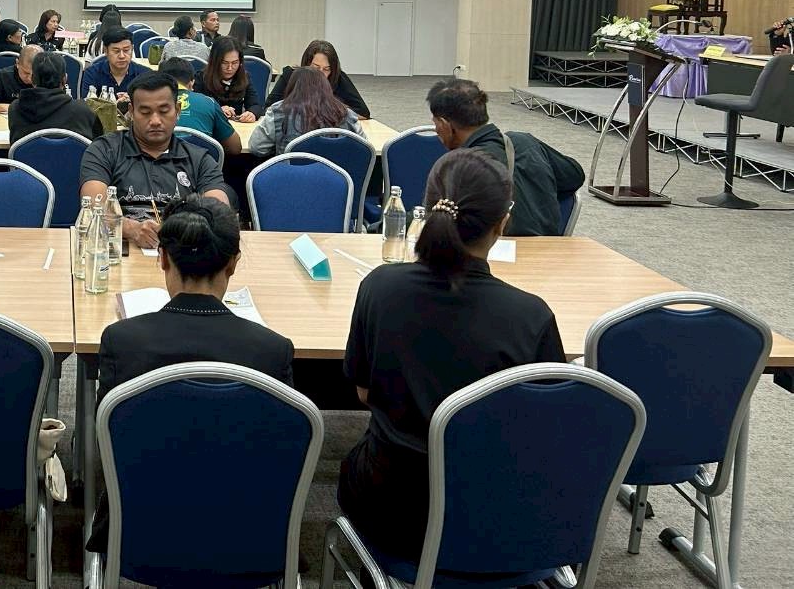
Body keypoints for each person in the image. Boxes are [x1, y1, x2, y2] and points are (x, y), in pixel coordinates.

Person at [338, 148, 565, 560]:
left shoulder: (379, 287)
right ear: (502, 223)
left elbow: (364, 393)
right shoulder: (531, 315)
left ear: (428, 210)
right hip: (493, 514)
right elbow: (544, 426)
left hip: (392, 507)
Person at [87, 195, 294, 555]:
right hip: (247, 533)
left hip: (138, 527)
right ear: (233, 263)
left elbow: (107, 438)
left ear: (163, 258)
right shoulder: (272, 350)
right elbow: (285, 448)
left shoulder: (122, 341)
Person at [79, 72, 229, 248]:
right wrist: (132, 229)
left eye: (164, 111)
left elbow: (220, 213)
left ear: (177, 111)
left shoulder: (199, 159)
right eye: (145, 112)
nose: (155, 121)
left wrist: (179, 232)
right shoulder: (104, 150)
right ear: (131, 112)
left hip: (182, 251)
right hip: (118, 251)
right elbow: (93, 206)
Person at [427, 79, 585, 237]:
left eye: (435, 124)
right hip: (549, 249)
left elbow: (437, 227)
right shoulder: (525, 142)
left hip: (491, 250)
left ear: (444, 124)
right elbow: (575, 176)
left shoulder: (455, 166)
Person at [250, 65, 361, 157]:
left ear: (293, 86)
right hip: (336, 175)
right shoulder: (345, 113)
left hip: (291, 175)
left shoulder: (278, 110)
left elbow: (257, 147)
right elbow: (362, 148)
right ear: (326, 87)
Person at [8, 51, 104, 143]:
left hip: (28, 155)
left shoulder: (15, 109)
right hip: (71, 155)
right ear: (65, 79)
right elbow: (98, 144)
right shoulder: (84, 111)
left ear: (32, 79)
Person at [268, 39, 371, 119]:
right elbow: (268, 108)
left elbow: (363, 112)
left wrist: (332, 108)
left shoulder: (338, 78)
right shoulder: (291, 75)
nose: (320, 74)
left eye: (326, 69)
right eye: (316, 68)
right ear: (306, 64)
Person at [158, 58, 239, 155]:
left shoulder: (147, 104)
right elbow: (235, 148)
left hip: (157, 163)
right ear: (192, 82)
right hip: (200, 163)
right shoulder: (209, 102)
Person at [194, 36, 262, 121]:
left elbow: (255, 105)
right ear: (215, 61)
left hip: (236, 127)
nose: (230, 68)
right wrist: (216, 110)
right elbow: (195, 107)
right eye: (224, 63)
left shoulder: (244, 77)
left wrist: (252, 113)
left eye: (235, 63)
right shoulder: (201, 78)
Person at [79, 26, 148, 104]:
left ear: (132, 49)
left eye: (126, 50)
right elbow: (87, 105)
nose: (122, 56)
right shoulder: (92, 73)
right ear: (106, 51)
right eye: (116, 51)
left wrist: (133, 101)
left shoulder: (145, 75)